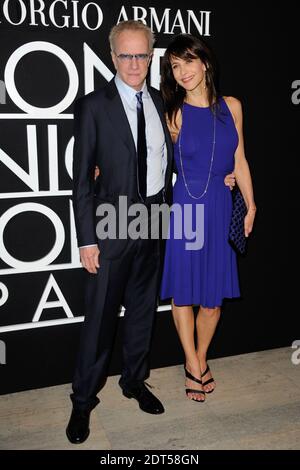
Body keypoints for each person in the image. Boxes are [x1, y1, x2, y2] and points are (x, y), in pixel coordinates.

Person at [67, 20, 174, 444]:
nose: (134, 63)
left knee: (143, 312)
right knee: (99, 321)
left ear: (152, 56)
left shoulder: (161, 102)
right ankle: (81, 401)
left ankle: (133, 381)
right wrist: (87, 237)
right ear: (112, 57)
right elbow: (80, 180)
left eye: (142, 55)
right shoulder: (95, 105)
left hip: (153, 219)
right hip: (111, 225)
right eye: (126, 55)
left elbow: (166, 158)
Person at [160, 34, 256, 402]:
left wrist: (251, 203)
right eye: (174, 66)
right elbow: (152, 158)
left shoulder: (232, 106)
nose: (181, 71)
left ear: (205, 63)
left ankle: (199, 358)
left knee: (213, 300)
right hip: (186, 207)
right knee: (184, 293)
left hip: (219, 204)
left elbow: (240, 159)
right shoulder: (173, 114)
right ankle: (192, 363)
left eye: (187, 62)